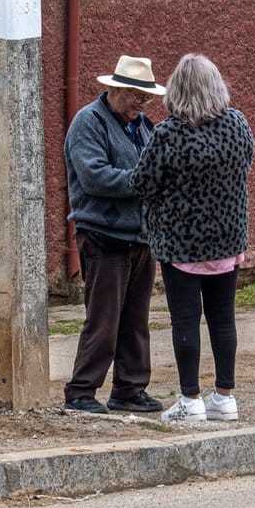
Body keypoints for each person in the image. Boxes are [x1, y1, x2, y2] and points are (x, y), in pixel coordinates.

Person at [130, 53, 254, 423]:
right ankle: (225, 396)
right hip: (229, 240)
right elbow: (247, 162)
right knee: (223, 320)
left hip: (181, 244)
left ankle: (190, 399)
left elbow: (142, 183)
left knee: (185, 321)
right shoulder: (237, 124)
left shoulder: (168, 133)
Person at [62, 55, 166, 414]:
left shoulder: (143, 126)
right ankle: (81, 392)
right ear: (116, 90)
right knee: (103, 320)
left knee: (135, 320)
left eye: (147, 98)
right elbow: (93, 177)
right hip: (103, 235)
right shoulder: (88, 124)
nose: (143, 103)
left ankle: (129, 389)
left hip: (140, 236)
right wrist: (143, 182)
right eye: (138, 96)